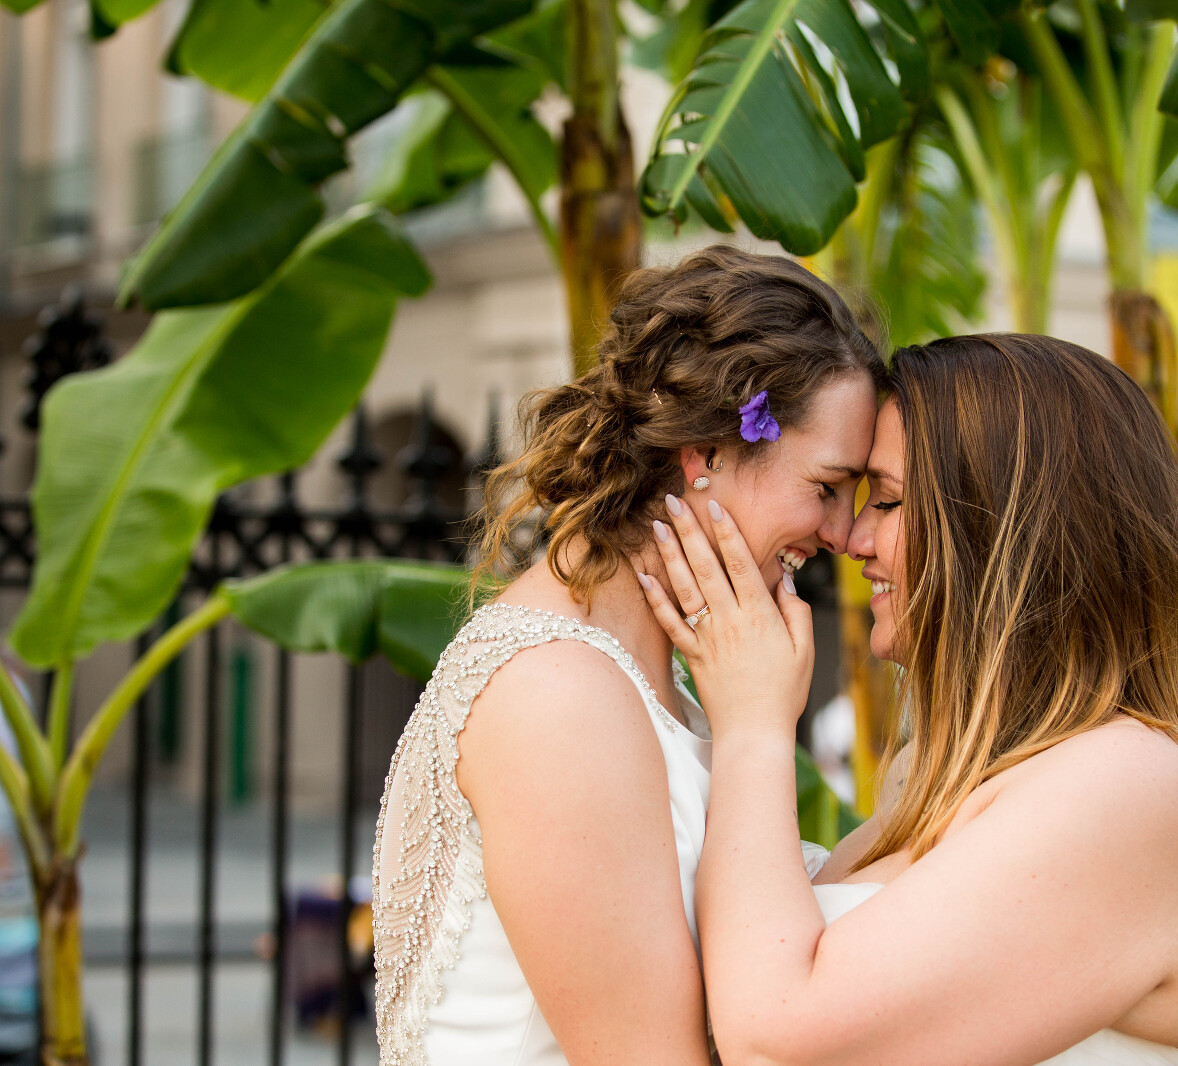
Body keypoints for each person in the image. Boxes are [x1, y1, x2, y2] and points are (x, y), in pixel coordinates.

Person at [641, 333, 1178, 1066]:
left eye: (886, 500)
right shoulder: (930, 775)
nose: (853, 539)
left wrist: (756, 726)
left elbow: (773, 1039)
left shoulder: (1132, 786)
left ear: (1004, 529)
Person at [370, 245, 885, 1066]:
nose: (840, 534)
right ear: (709, 452)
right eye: (826, 487)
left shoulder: (654, 679)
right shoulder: (558, 695)